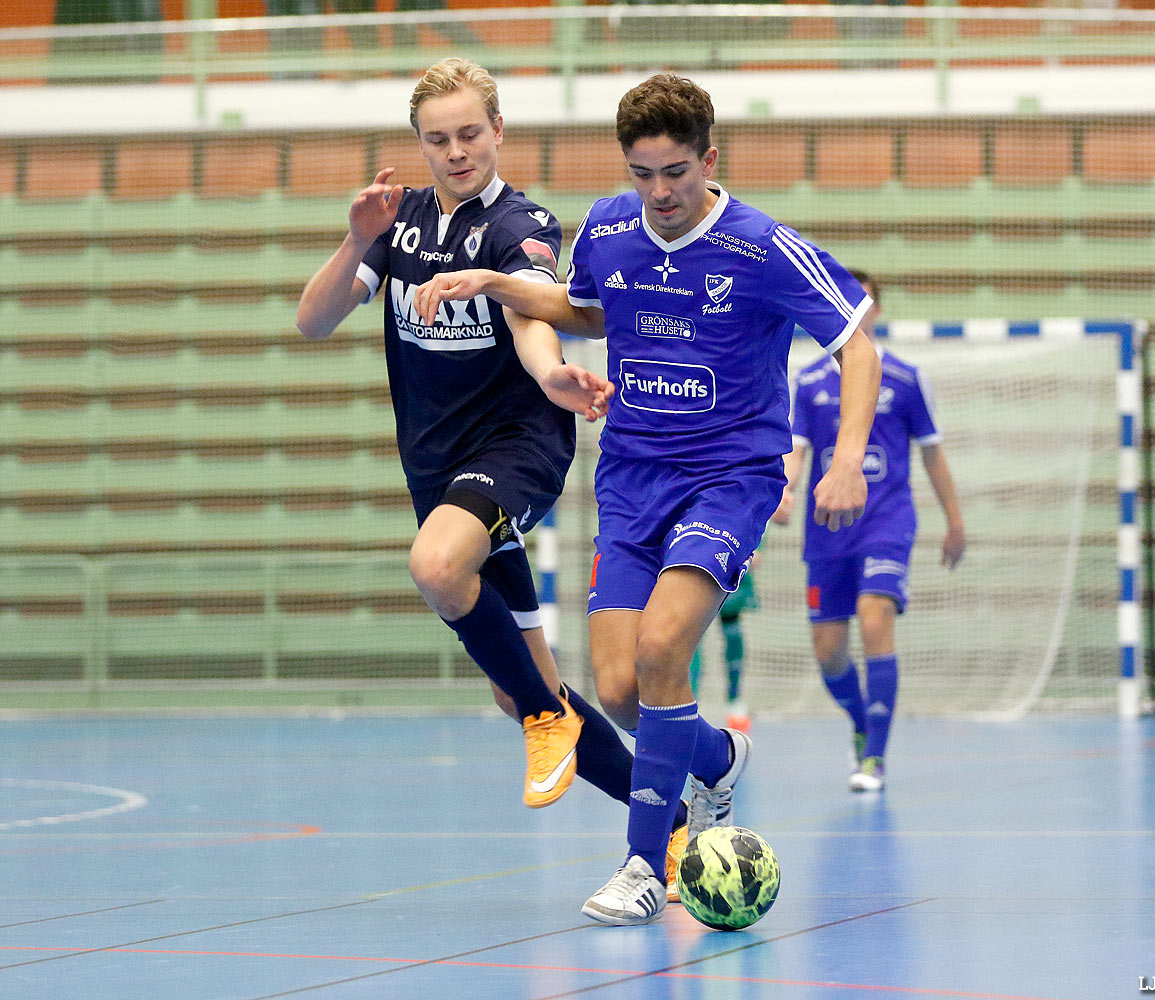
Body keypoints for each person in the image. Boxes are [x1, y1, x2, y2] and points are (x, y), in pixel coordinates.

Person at [413, 72, 882, 925]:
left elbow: (856, 344)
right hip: (630, 477)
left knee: (667, 649)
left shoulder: (762, 247)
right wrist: (496, 287)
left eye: (674, 172)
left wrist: (845, 457)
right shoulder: (610, 225)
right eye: (642, 173)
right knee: (624, 688)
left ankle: (641, 860)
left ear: (709, 159)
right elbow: (585, 309)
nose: (659, 192)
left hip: (729, 477)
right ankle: (720, 759)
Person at [294, 61, 664, 842]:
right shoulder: (396, 223)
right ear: (419, 144)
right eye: (438, 138)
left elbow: (534, 312)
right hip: (436, 469)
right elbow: (313, 321)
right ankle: (668, 820)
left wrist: (553, 374)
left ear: (497, 130)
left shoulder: (520, 224)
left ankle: (544, 720)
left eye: (470, 133)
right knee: (519, 682)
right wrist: (357, 238)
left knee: (434, 567)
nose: (457, 150)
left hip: (516, 446)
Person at [772, 269, 966, 793]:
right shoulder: (809, 383)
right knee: (828, 650)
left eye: (861, 301)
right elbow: (796, 450)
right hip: (827, 530)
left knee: (874, 615)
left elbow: (932, 453)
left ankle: (875, 756)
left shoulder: (903, 377)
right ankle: (862, 724)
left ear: (873, 310)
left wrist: (955, 521)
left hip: (887, 521)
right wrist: (784, 491)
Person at [688, 556, 758, 733]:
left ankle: (734, 700)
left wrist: (757, 547)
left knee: (732, 629)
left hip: (730, 555)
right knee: (690, 637)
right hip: (695, 559)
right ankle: (688, 703)